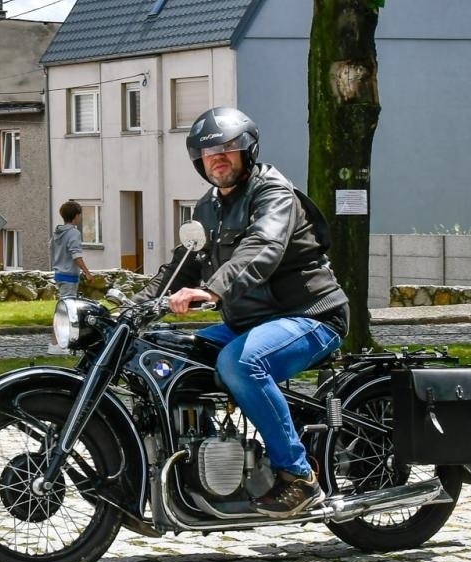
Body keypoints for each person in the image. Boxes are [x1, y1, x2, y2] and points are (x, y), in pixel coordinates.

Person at [139, 107, 349, 517]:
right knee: (166, 351)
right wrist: (137, 304)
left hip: (309, 316)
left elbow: (261, 251)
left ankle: (299, 476)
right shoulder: (208, 207)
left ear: (248, 150)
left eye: (228, 148)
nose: (218, 157)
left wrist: (212, 291)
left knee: (241, 363)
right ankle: (203, 459)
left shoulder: (273, 194)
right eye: (208, 152)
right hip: (249, 322)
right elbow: (184, 265)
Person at [50, 200, 92, 300]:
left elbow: (52, 249)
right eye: (80, 215)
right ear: (76, 216)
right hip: (69, 277)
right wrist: (87, 272)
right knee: (68, 307)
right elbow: (76, 255)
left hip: (59, 275)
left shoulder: (57, 233)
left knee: (65, 304)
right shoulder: (74, 233)